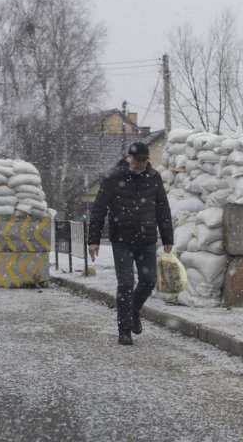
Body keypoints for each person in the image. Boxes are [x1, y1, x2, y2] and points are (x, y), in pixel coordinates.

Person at [88, 141, 174, 346]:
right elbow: (99, 210)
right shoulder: (113, 178)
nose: (141, 165)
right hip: (122, 240)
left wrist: (168, 238)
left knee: (149, 281)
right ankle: (124, 329)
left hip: (146, 239)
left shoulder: (153, 178)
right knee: (125, 284)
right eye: (138, 161)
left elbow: (163, 209)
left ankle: (133, 311)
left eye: (144, 161)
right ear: (130, 158)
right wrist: (93, 240)